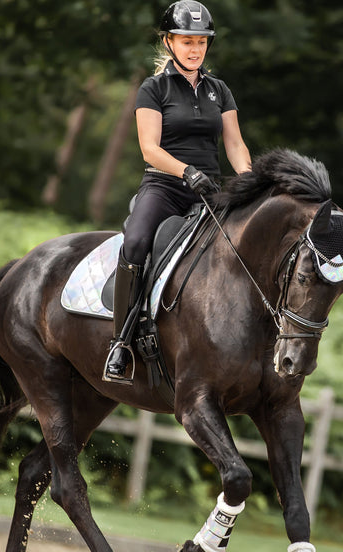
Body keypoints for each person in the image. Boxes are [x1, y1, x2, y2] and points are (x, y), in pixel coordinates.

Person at [105, 0, 252, 383]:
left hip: (209, 192)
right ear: (169, 42)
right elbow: (149, 148)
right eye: (187, 41)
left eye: (201, 42)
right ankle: (120, 343)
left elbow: (234, 144)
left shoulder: (220, 90)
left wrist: (250, 180)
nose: (195, 49)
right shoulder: (153, 88)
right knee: (135, 242)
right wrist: (186, 172)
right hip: (165, 186)